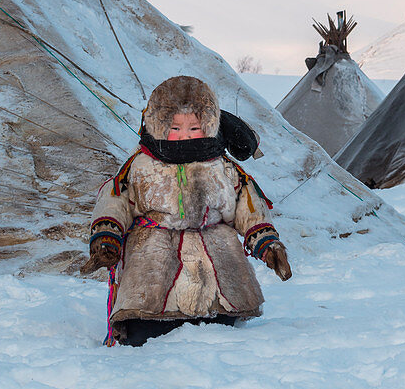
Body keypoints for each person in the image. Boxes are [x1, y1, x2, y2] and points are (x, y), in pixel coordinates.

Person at [81, 75, 292, 346]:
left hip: (216, 251)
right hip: (152, 253)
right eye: (175, 127)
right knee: (146, 322)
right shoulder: (140, 166)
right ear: (157, 125)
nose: (184, 135)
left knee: (221, 328)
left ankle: (218, 319)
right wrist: (106, 236)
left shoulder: (223, 168)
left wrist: (267, 244)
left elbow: (246, 205)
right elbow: (115, 200)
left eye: (194, 128)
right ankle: (146, 326)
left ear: (209, 127)